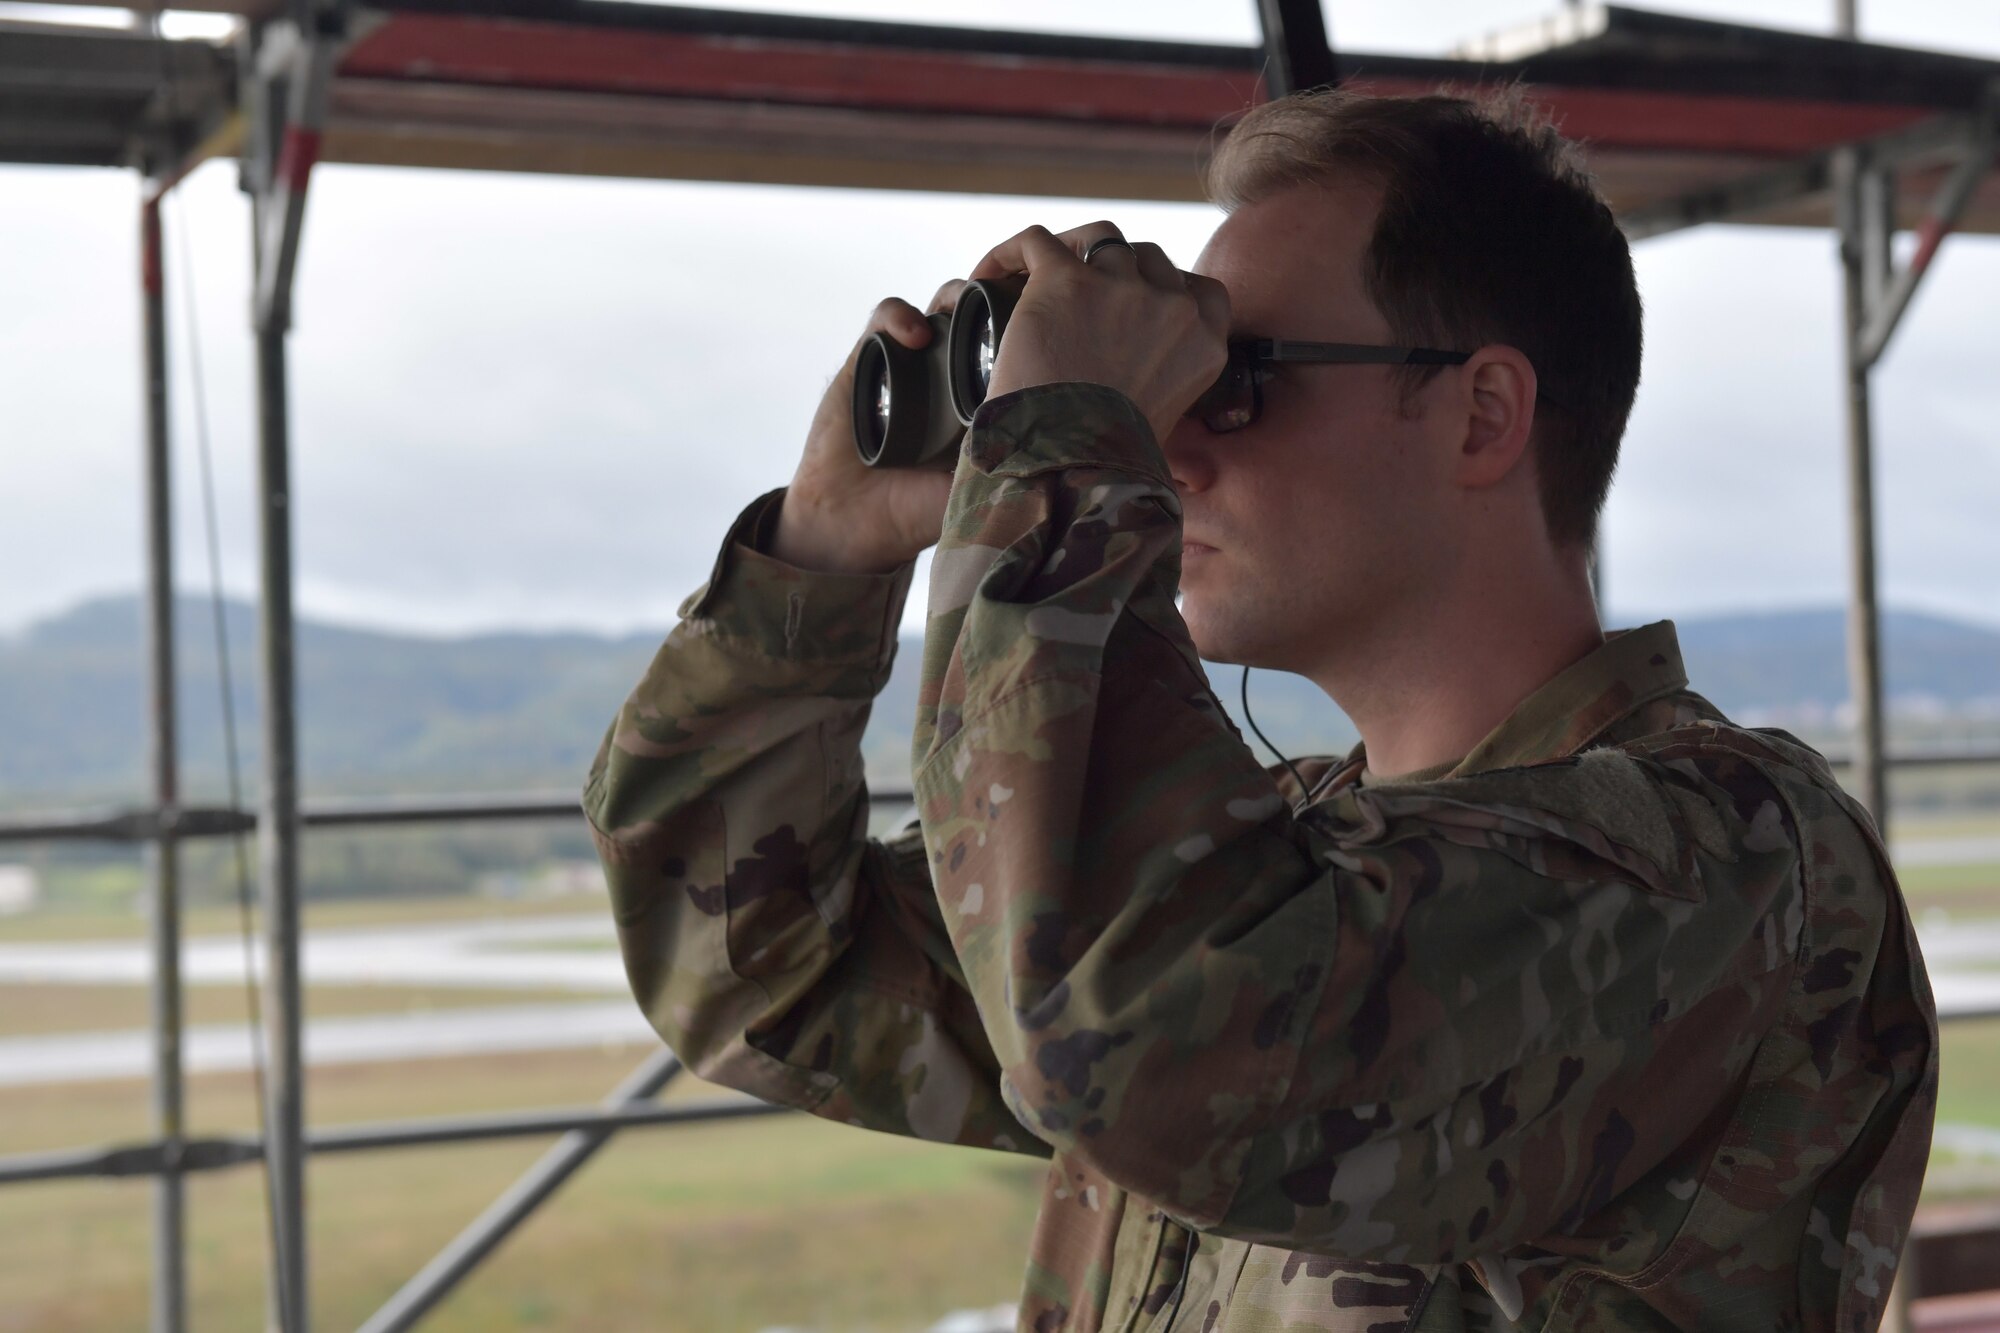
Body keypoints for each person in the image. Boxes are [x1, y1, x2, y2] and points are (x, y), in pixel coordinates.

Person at [584, 89, 1936, 1332]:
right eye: (1166, 392)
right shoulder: (1282, 864)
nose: (1171, 450)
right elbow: (760, 965)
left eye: (1238, 377)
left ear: (1481, 415)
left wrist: (1065, 441)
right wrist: (827, 554)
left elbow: (1133, 1029)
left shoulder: (1740, 871)